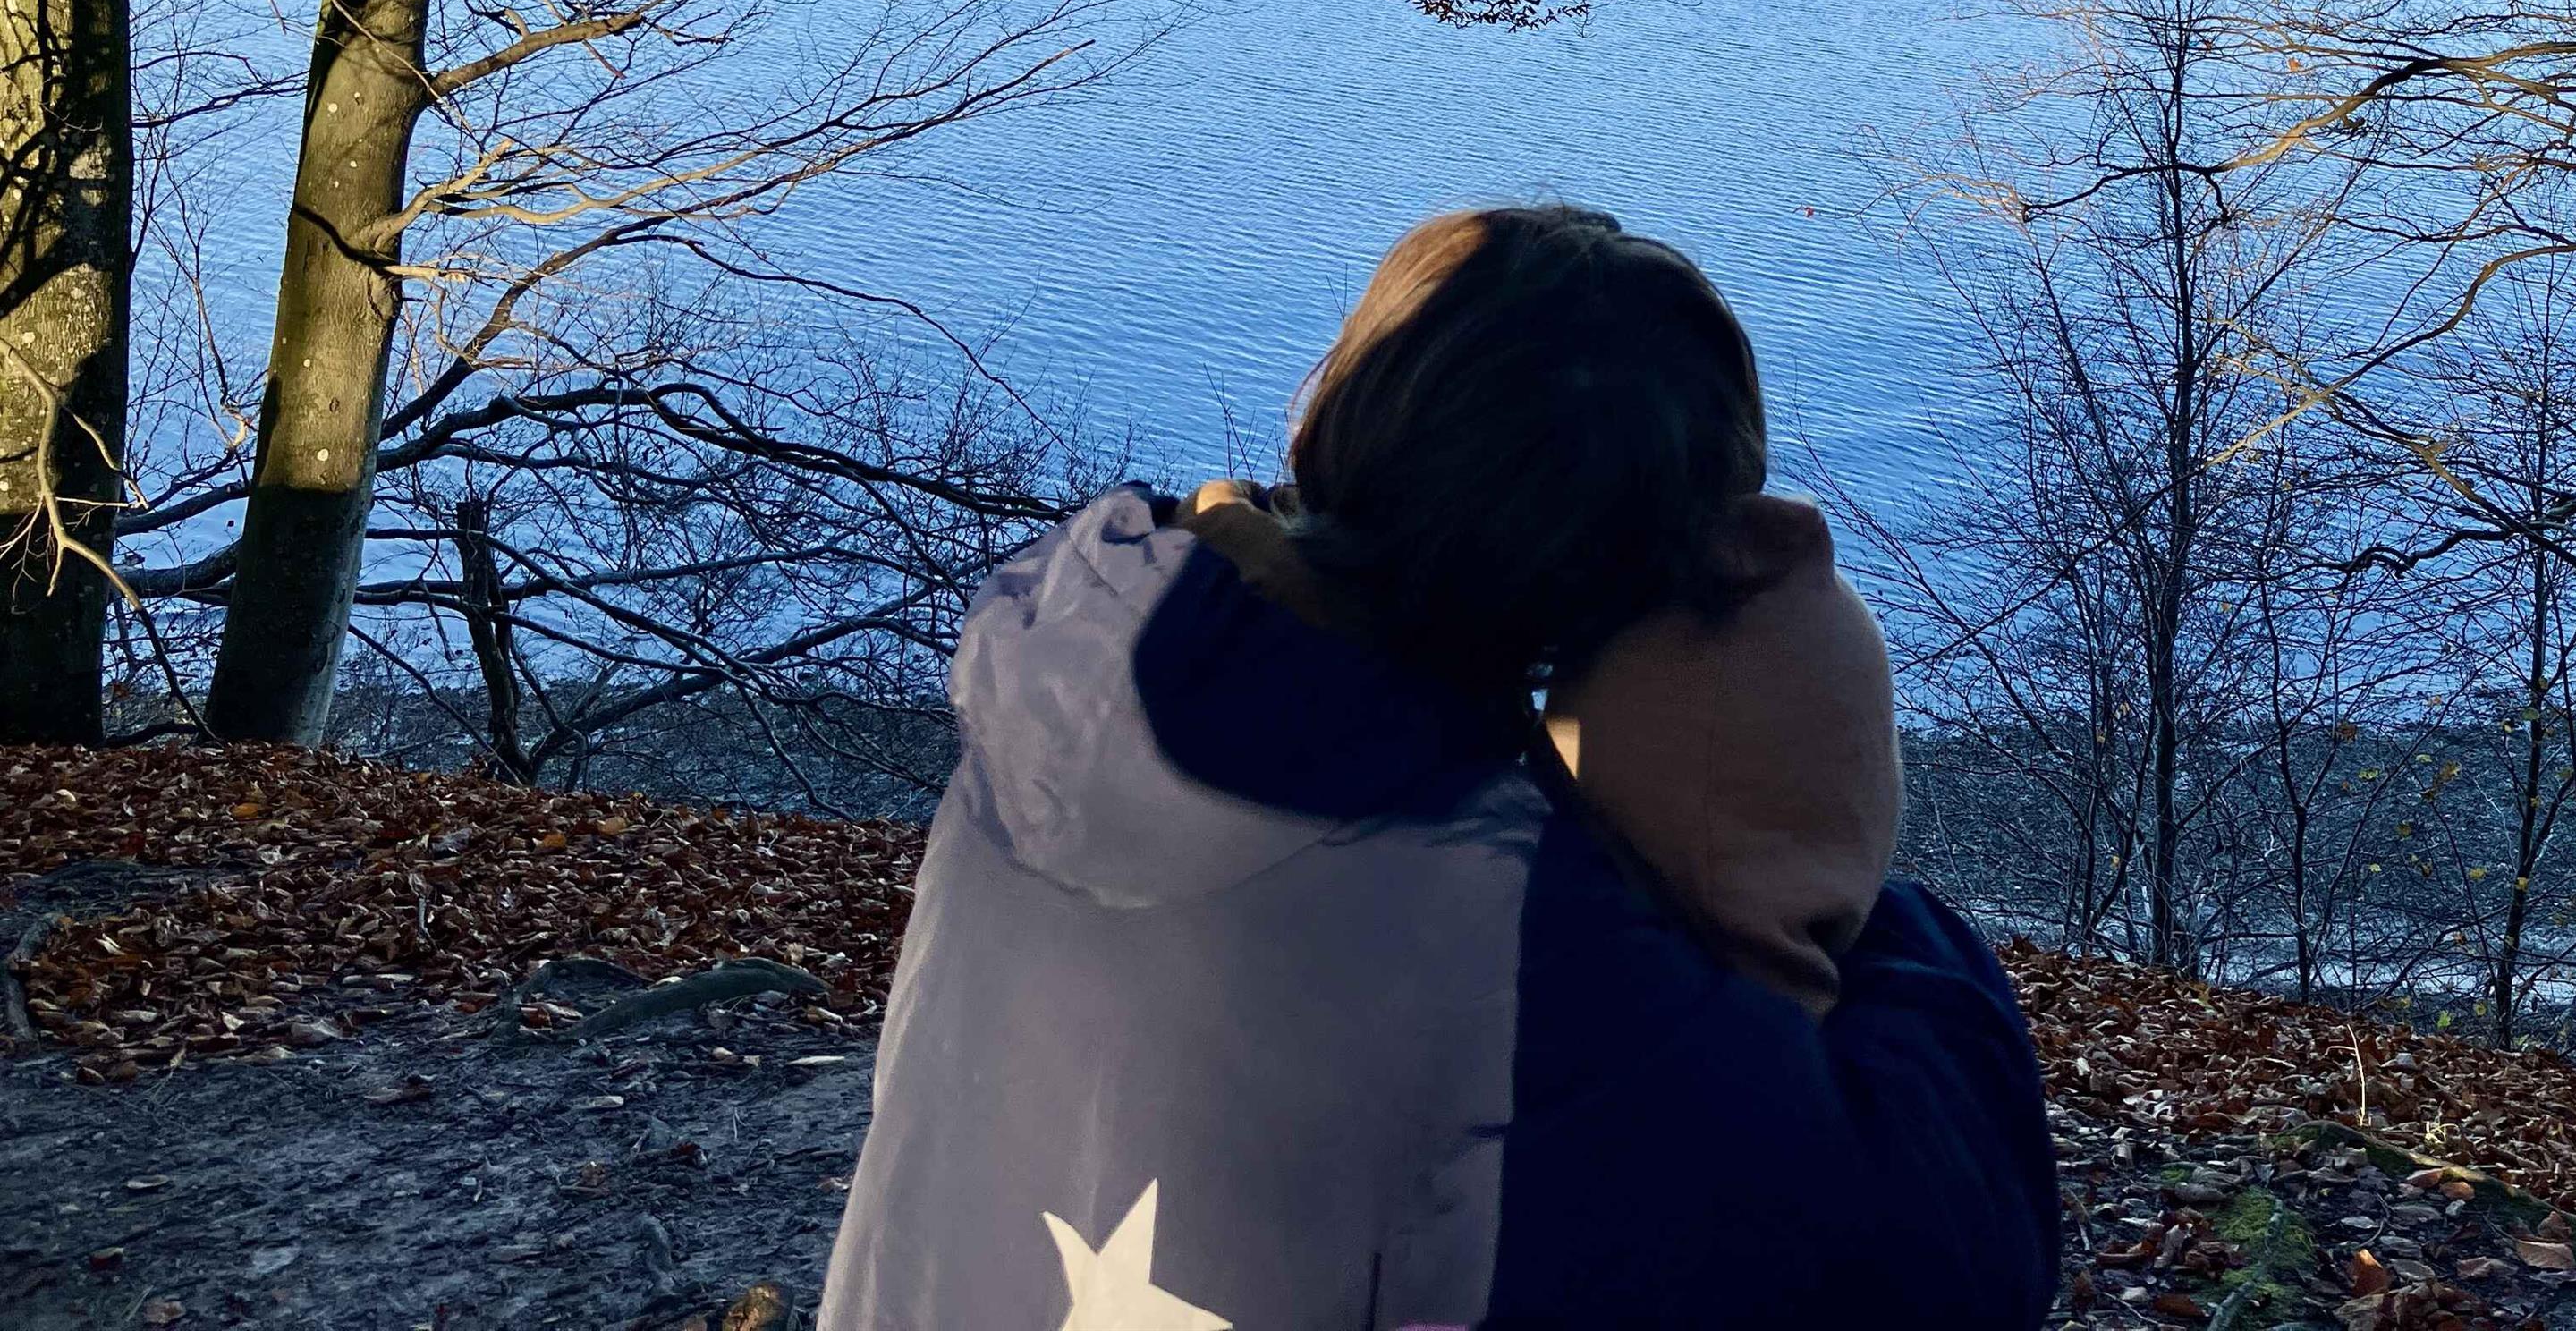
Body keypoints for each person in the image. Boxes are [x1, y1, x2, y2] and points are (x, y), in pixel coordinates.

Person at [822, 205, 2058, 1331]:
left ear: (1340, 430)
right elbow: (1935, 1268)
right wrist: (1817, 891)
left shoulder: (1072, 712)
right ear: (1667, 569)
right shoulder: (1507, 929)